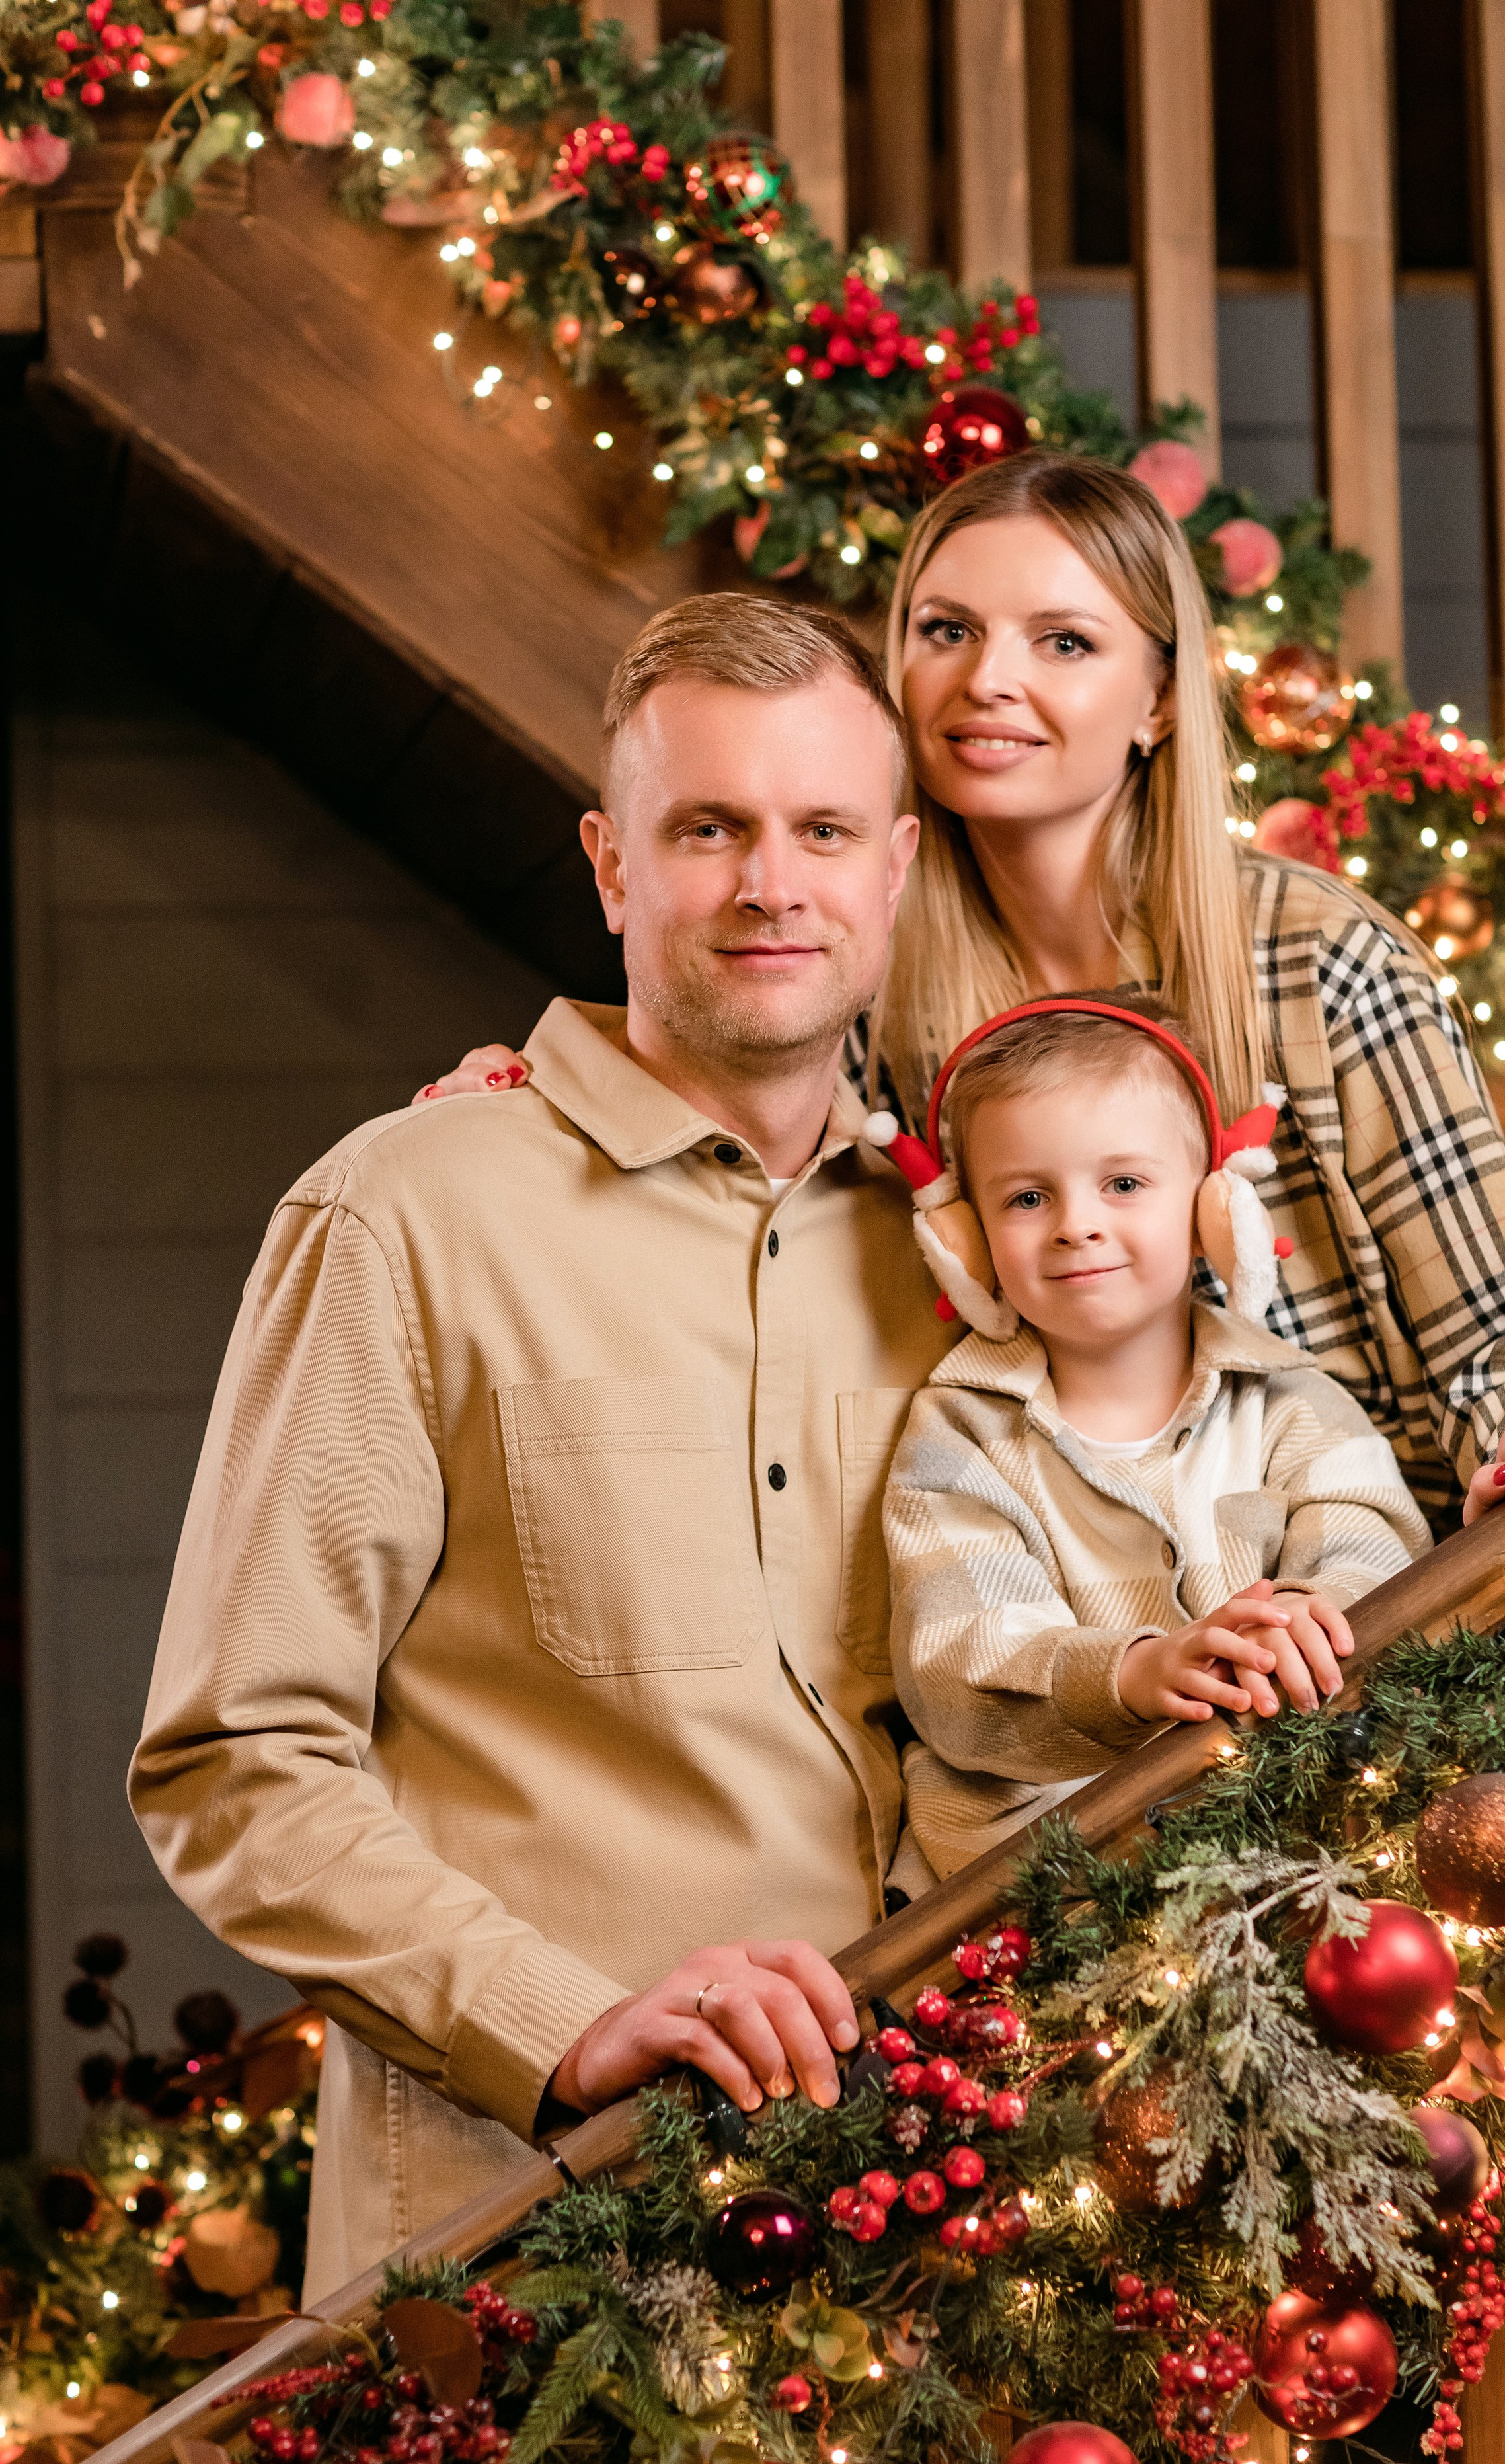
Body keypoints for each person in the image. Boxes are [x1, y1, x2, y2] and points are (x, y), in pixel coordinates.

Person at [129, 596, 953, 2300]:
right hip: (534, 2231)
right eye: (707, 826)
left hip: (932, 2215)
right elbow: (235, 1763)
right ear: (609, 863)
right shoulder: (400, 1215)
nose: (768, 884)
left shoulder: (961, 1254)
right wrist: (560, 2029)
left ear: (896, 865)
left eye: (819, 831)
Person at [432, 452, 1505, 1533]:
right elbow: (718, 1167)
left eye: (1063, 641)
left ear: (1161, 700)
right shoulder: (863, 982)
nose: (985, 682)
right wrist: (545, 1098)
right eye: (948, 630)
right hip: (1055, 1650)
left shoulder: (1314, 962)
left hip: (1364, 1637)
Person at [875, 992, 1428, 1885]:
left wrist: (1308, 1613)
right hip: (1048, 1885)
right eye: (1026, 1197)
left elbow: (1378, 1540)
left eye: (1124, 1184)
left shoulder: (1292, 1400)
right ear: (969, 1245)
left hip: (1286, 1848)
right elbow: (959, 1660)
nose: (1076, 1224)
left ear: (1214, 1210)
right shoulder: (960, 1435)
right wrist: (1131, 1675)